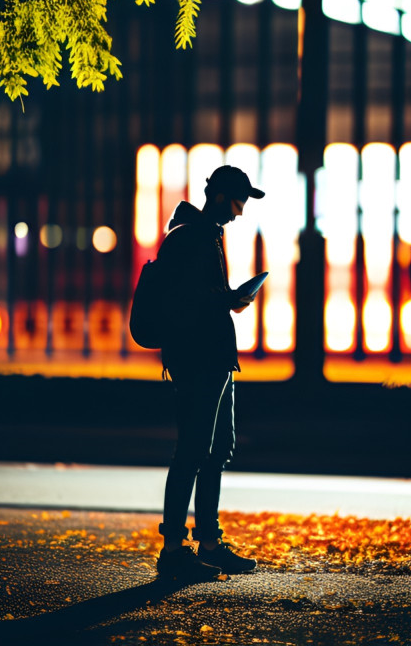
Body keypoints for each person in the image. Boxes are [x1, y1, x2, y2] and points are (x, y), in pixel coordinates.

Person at [156, 165, 265, 581]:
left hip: (213, 358)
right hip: (199, 359)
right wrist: (227, 299)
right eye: (238, 202)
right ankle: (174, 551)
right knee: (193, 452)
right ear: (221, 197)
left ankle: (208, 544)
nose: (239, 213)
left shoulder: (203, 235)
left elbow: (197, 297)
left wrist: (228, 299)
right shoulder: (191, 237)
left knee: (216, 450)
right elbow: (184, 299)